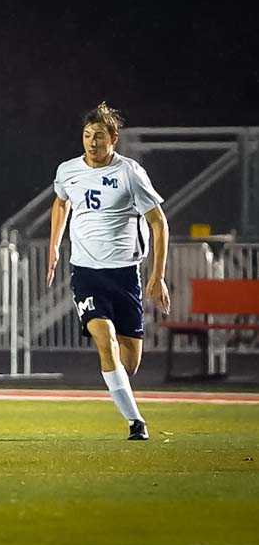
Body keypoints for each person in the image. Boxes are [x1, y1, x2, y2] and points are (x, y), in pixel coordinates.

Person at [47, 102, 170, 440]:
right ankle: (136, 422)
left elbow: (158, 223)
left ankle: (118, 388)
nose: (92, 142)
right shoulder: (68, 170)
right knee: (105, 339)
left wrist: (157, 276)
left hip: (126, 274)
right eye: (87, 135)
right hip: (86, 272)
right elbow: (60, 202)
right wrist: (54, 245)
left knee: (128, 362)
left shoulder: (130, 173)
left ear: (114, 138)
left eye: (99, 136)